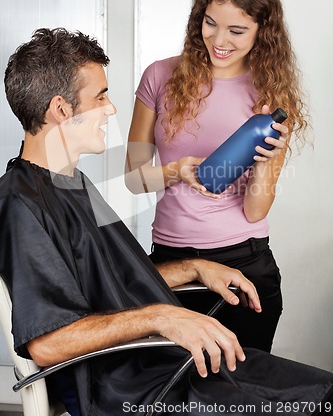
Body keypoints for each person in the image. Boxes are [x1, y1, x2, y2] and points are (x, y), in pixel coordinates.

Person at [0, 28, 332, 416]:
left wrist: (193, 266)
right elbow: (47, 343)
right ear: (61, 109)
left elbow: (112, 278)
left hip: (158, 365)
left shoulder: (70, 184)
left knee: (320, 391)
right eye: (100, 96)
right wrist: (161, 316)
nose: (111, 109)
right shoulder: (22, 203)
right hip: (129, 387)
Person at [126, 0, 308, 353]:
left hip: (243, 264)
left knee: (243, 395)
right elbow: (134, 179)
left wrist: (263, 162)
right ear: (200, 18)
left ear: (263, 30)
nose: (219, 40)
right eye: (211, 23)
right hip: (170, 264)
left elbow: (256, 212)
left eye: (237, 31)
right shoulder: (159, 76)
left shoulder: (270, 98)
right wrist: (175, 171)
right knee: (170, 394)